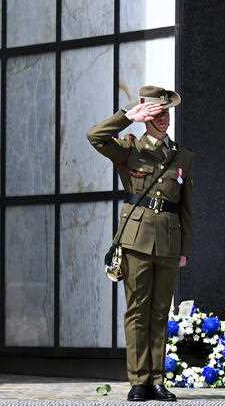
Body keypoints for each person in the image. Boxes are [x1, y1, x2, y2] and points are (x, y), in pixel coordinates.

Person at [87, 85, 194, 402]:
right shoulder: (128, 149)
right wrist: (126, 116)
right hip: (136, 239)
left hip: (169, 241)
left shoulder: (183, 157)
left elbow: (187, 207)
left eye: (166, 113)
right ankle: (138, 380)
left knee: (160, 313)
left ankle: (157, 380)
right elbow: (95, 137)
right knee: (137, 311)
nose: (163, 119)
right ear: (146, 116)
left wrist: (185, 249)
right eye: (157, 113)